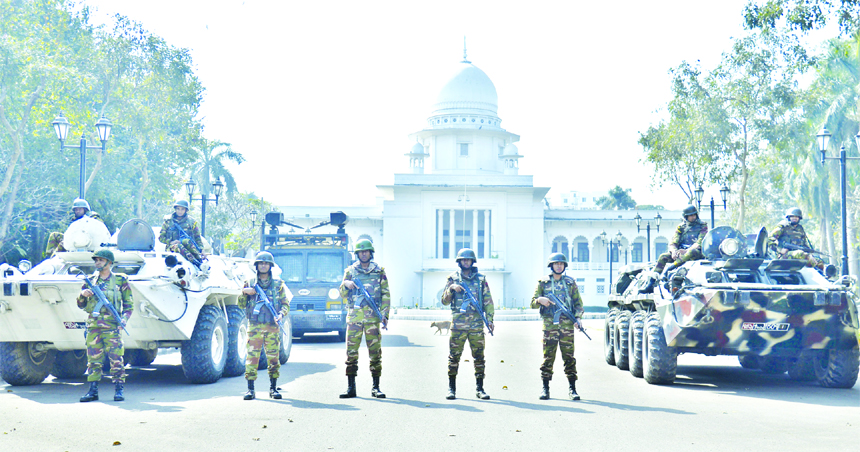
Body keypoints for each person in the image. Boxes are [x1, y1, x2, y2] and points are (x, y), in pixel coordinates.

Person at [76, 249, 133, 403]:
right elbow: (80, 305)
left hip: (112, 326)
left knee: (116, 357)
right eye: (96, 260)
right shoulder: (90, 280)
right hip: (94, 326)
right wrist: (82, 295)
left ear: (109, 262)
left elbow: (129, 305)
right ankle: (93, 390)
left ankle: (119, 389)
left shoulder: (120, 280)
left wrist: (124, 320)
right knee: (93, 359)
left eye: (101, 260)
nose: (97, 263)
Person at [338, 239, 390, 398]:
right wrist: (346, 284)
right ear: (357, 254)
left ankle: (376, 387)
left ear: (370, 253)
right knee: (351, 353)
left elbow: (385, 294)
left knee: (375, 353)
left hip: (372, 319)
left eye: (366, 251)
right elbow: (342, 294)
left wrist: (385, 315)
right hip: (354, 319)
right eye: (361, 252)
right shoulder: (350, 271)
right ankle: (351, 387)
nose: (364, 254)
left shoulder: (379, 271)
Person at [441, 248, 495, 400]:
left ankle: (480, 388)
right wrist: (451, 289)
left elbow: (488, 301)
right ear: (459, 262)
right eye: (463, 259)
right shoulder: (453, 279)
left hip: (476, 325)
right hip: (458, 325)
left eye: (468, 259)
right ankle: (451, 388)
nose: (466, 262)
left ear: (472, 261)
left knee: (479, 357)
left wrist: (490, 319)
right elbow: (444, 301)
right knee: (454, 357)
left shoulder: (481, 279)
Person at [530, 253, 585, 401]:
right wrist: (540, 300)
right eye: (556, 263)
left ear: (564, 266)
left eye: (561, 264)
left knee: (569, 357)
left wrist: (578, 318)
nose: (559, 266)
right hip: (550, 326)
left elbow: (578, 304)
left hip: (567, 326)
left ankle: (572, 389)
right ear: (551, 265)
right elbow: (532, 303)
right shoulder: (543, 283)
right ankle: (545, 388)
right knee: (548, 357)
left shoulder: (570, 283)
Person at [238, 251, 290, 400]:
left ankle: (273, 388)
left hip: (272, 327)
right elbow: (241, 304)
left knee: (273, 358)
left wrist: (281, 315)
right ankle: (250, 389)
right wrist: (244, 292)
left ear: (270, 266)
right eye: (261, 263)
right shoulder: (250, 283)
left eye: (266, 263)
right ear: (257, 265)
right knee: (252, 357)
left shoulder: (278, 284)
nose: (263, 265)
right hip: (255, 326)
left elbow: (285, 304)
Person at [654, 205, 709, 274]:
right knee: (663, 256)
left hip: (695, 252)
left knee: (691, 251)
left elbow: (699, 242)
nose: (693, 217)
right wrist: (674, 251)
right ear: (686, 216)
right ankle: (654, 277)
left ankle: (670, 268)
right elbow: (674, 242)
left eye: (694, 215)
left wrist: (686, 251)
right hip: (681, 252)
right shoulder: (681, 227)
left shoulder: (702, 225)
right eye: (691, 215)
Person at [158, 200, 204, 266]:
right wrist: (171, 242)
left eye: (182, 209)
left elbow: (197, 237)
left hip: (188, 247)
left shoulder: (191, 222)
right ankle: (195, 262)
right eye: (178, 209)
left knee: (187, 241)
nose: (180, 211)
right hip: (172, 248)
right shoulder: (168, 221)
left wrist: (201, 250)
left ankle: (199, 262)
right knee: (178, 246)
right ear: (175, 209)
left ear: (186, 210)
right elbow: (161, 238)